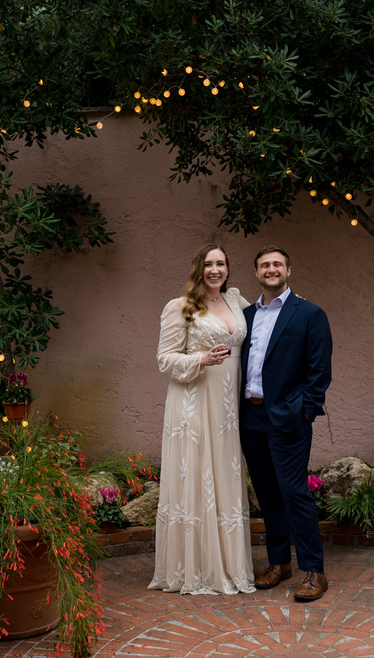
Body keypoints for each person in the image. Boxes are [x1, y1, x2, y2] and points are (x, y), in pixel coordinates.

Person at [148, 243, 256, 595]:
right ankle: (193, 568)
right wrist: (199, 360)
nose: (215, 270)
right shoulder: (181, 308)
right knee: (196, 474)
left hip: (228, 405)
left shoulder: (237, 303)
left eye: (221, 263)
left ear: (228, 268)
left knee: (224, 473)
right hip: (193, 400)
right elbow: (164, 359)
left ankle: (227, 563)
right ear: (198, 268)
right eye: (208, 264)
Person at [240, 245, 333, 602]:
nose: (271, 269)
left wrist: (306, 410)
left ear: (288, 271)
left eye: (277, 263)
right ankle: (279, 563)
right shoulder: (246, 316)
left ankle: (314, 571)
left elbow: (319, 371)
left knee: (294, 492)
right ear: (257, 272)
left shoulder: (309, 314)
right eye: (264, 264)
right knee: (266, 494)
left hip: (289, 418)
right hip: (250, 416)